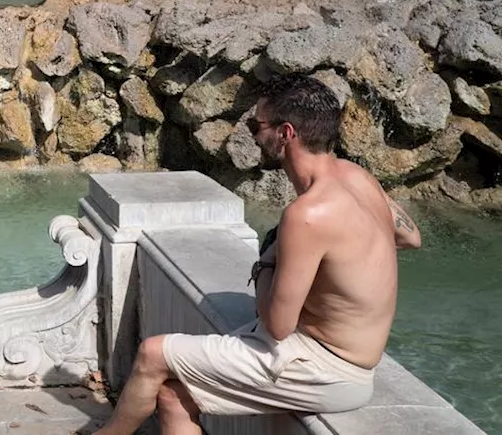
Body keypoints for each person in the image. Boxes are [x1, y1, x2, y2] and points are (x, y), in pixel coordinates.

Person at [93, 74, 422, 435]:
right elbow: (409, 236)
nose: (251, 133)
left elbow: (277, 325)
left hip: (325, 368)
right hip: (344, 358)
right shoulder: (358, 176)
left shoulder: (307, 215)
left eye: (256, 124)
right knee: (173, 394)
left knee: (152, 354)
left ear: (285, 133)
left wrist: (267, 257)